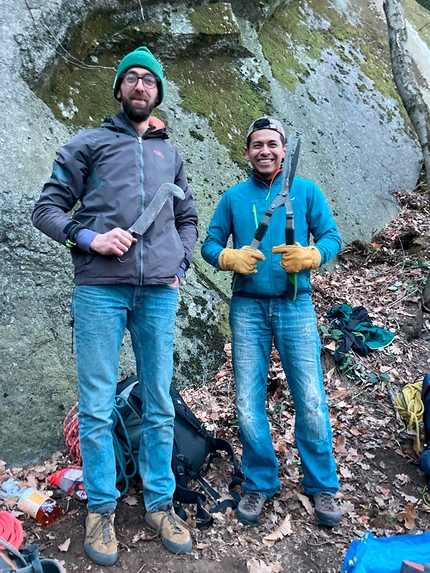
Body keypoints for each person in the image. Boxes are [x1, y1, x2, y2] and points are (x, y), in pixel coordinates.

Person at [32, 46, 198, 566]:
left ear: (158, 93)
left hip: (157, 295)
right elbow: (46, 209)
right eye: (132, 79)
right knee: (98, 405)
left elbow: (187, 215)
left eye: (150, 81)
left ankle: (159, 503)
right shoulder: (88, 144)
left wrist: (181, 261)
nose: (141, 87)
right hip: (100, 290)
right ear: (119, 89)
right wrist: (88, 238)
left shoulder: (170, 153)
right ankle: (102, 508)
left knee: (159, 401)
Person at [201, 116, 342, 528]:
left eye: (272, 144)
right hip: (247, 310)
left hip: (296, 306)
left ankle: (322, 486)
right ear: (247, 152)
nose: (265, 151)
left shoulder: (307, 191)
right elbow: (209, 243)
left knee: (311, 400)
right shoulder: (233, 197)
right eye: (257, 145)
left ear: (283, 149)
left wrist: (313, 256)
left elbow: (331, 235)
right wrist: (228, 258)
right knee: (247, 403)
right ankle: (260, 482)